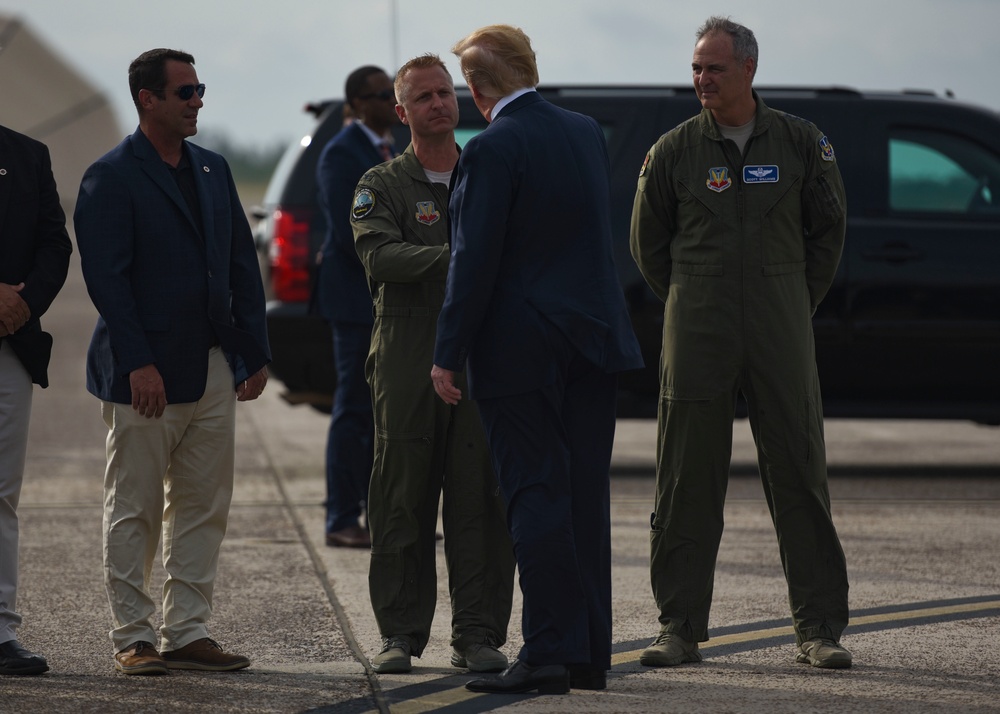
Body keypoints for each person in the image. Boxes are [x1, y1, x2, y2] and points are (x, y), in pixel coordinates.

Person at [629, 16, 852, 670]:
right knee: (685, 478)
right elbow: (649, 247)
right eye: (697, 66)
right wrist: (698, 295)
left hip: (780, 319)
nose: (701, 79)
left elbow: (827, 234)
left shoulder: (801, 142)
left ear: (748, 70)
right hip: (697, 320)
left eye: (714, 68)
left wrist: (788, 298)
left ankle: (818, 630)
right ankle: (678, 626)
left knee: (800, 473)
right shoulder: (673, 151)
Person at [431, 25, 643, 695]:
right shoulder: (583, 132)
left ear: (476, 87)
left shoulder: (492, 148)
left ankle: (548, 651)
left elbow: (473, 259)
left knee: (534, 492)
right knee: (584, 496)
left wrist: (447, 352)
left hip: (521, 347)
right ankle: (587, 654)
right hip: (593, 339)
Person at [74, 48, 271, 676]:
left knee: (203, 504)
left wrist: (252, 351)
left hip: (213, 363)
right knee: (133, 507)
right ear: (147, 99)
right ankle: (133, 637)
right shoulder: (112, 175)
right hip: (145, 373)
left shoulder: (212, 170)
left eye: (199, 90)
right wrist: (139, 363)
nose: (198, 102)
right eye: (185, 92)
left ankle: (187, 630)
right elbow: (108, 280)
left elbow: (242, 264)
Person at [351, 53, 516, 676]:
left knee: (479, 501)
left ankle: (477, 634)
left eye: (446, 93)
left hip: (481, 355)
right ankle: (399, 634)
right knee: (402, 499)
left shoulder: (490, 171)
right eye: (423, 97)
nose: (439, 104)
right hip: (407, 355)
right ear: (402, 112)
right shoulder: (381, 184)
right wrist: (465, 260)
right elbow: (380, 257)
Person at [316, 65, 399, 549]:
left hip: (393, 298)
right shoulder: (342, 154)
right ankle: (342, 517)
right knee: (354, 408)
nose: (392, 101)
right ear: (356, 104)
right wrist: (401, 261)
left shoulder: (396, 149)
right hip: (355, 300)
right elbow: (353, 234)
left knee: (393, 410)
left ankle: (387, 514)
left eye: (393, 93)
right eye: (381, 95)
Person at [0, 125, 73, 676]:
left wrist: (22, 306)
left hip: (10, 343)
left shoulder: (27, 154)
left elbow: (54, 242)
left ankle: (0, 630)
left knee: (1, 491)